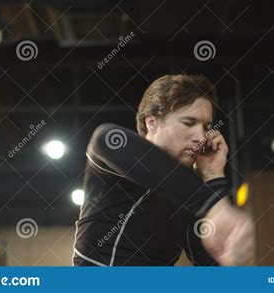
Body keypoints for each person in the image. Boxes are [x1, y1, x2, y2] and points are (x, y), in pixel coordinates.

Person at [73, 74, 255, 266]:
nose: (201, 136)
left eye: (206, 127)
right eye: (189, 123)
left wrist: (213, 177)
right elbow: (105, 137)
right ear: (151, 122)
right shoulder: (116, 159)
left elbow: (210, 267)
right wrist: (214, 206)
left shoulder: (194, 194)